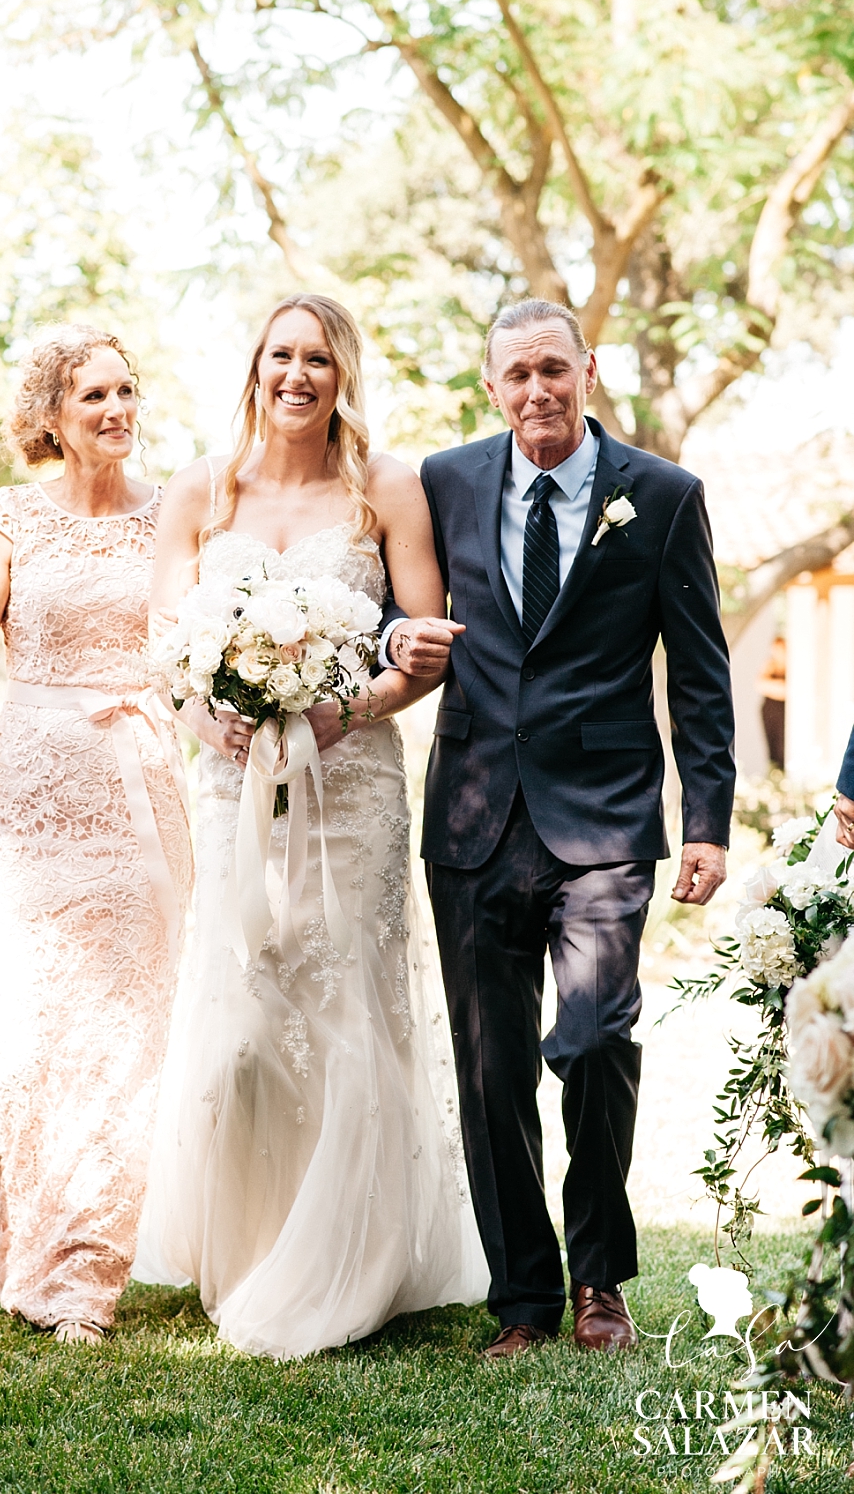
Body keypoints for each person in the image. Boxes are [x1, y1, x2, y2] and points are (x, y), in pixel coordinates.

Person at [137, 294, 489, 1359]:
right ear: (254, 367)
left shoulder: (388, 487)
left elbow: (423, 648)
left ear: (345, 377)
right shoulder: (198, 490)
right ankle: (252, 1244)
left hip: (354, 785)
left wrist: (353, 706)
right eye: (281, 356)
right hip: (233, 782)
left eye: (319, 360)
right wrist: (210, 720)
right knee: (246, 1011)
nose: (298, 375)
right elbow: (162, 650)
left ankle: (355, 1264)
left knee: (348, 1003)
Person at [385, 298, 735, 1358]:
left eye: (554, 369)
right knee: (490, 1068)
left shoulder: (663, 496)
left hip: (607, 823)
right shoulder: (441, 483)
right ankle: (525, 1303)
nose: (537, 391)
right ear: (490, 387)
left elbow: (704, 675)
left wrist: (707, 820)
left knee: (592, 1043)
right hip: (475, 819)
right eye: (516, 375)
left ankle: (600, 1284)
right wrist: (398, 631)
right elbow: (392, 605)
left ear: (588, 370)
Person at [0, 325, 191, 1346]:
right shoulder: (7, 519)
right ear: (51, 415)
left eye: (127, 390)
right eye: (93, 397)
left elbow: (200, 649)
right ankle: (27, 1240)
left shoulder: (172, 516)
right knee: (25, 1034)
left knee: (123, 1035)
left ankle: (86, 1278)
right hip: (30, 792)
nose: (116, 410)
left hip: (139, 789)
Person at [757, 634, 786, 770]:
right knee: (772, 749)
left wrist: (773, 687)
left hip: (783, 713)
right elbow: (760, 684)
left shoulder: (790, 668)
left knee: (782, 748)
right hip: (770, 711)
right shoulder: (770, 665)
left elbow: (788, 691)